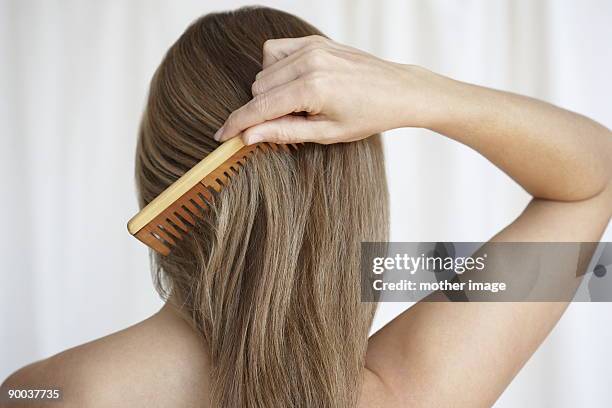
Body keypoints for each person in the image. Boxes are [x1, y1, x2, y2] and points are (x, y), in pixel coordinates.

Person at [2, 6, 611, 408]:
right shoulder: (409, 392)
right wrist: (420, 92)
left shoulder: (48, 394)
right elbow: (595, 177)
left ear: (156, 181)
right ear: (357, 190)